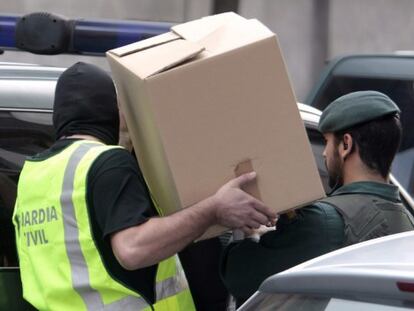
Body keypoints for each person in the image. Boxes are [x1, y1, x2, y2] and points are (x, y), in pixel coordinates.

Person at [12, 62, 277, 311]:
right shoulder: (107, 161)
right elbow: (132, 249)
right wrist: (214, 210)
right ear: (108, 111)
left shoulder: (33, 173)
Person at [220, 91, 414, 305]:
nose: (324, 153)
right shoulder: (407, 223)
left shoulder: (324, 221)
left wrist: (251, 234)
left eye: (327, 141)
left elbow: (239, 275)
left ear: (346, 145)